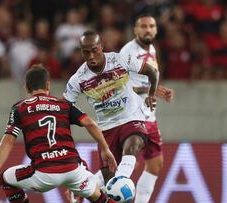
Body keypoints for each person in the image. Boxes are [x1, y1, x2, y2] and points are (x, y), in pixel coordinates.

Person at [0, 65, 117, 203]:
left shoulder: (20, 108)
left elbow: (9, 140)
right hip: (73, 170)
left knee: (4, 178)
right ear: (48, 85)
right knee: (97, 196)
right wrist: (105, 149)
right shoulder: (64, 104)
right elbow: (90, 123)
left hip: (44, 174)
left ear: (27, 88)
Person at [63, 30, 159, 187]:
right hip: (106, 128)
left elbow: (152, 72)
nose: (91, 56)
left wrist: (152, 95)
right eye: (86, 52)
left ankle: (121, 180)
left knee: (134, 143)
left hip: (132, 117)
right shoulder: (78, 79)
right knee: (108, 181)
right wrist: (81, 119)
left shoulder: (120, 59)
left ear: (101, 47)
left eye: (94, 50)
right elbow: (64, 107)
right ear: (81, 52)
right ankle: (85, 188)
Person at [120, 14, 174, 203]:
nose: (147, 29)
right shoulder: (128, 51)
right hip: (133, 115)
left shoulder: (151, 49)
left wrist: (157, 90)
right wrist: (150, 90)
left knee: (155, 164)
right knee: (126, 165)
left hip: (149, 116)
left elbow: (146, 80)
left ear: (156, 30)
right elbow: (118, 85)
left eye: (151, 26)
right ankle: (85, 187)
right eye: (143, 26)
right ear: (135, 30)